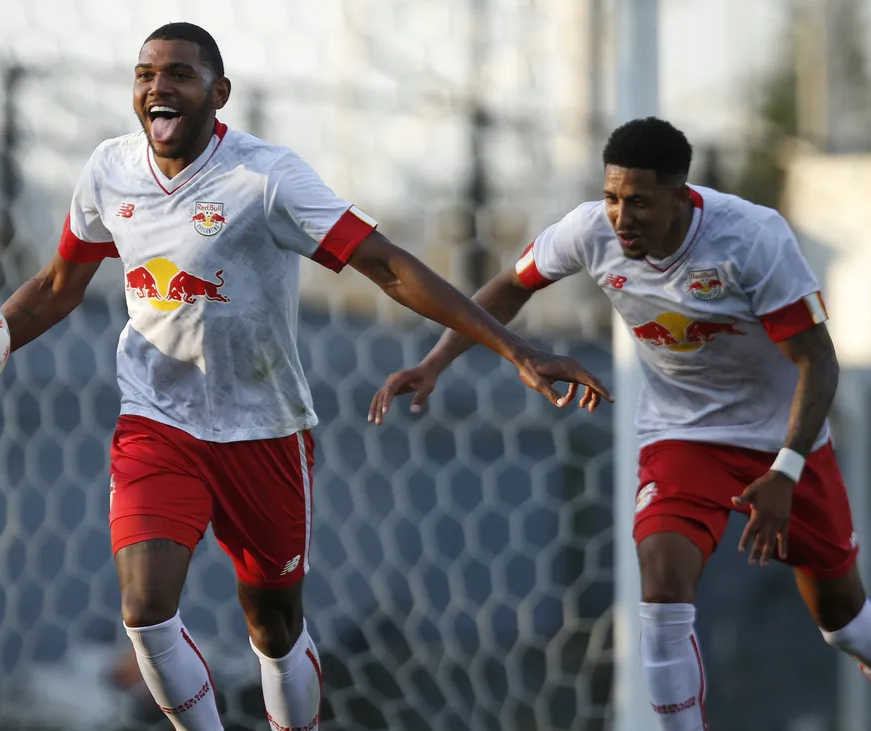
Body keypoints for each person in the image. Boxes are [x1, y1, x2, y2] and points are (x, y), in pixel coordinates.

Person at [0, 22, 612, 731]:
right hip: (157, 421)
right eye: (145, 75)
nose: (158, 88)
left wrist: (514, 348)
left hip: (264, 429)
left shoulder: (267, 179)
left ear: (219, 92)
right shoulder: (109, 171)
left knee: (273, 624)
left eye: (179, 74)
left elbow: (386, 265)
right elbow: (57, 285)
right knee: (145, 607)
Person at [369, 116, 871, 729]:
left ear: (681, 196)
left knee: (846, 627)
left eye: (639, 202)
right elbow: (506, 290)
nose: (620, 216)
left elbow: (818, 360)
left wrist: (788, 469)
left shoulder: (753, 238)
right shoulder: (588, 232)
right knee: (661, 587)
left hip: (781, 443)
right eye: (611, 197)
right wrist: (434, 362)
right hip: (682, 436)